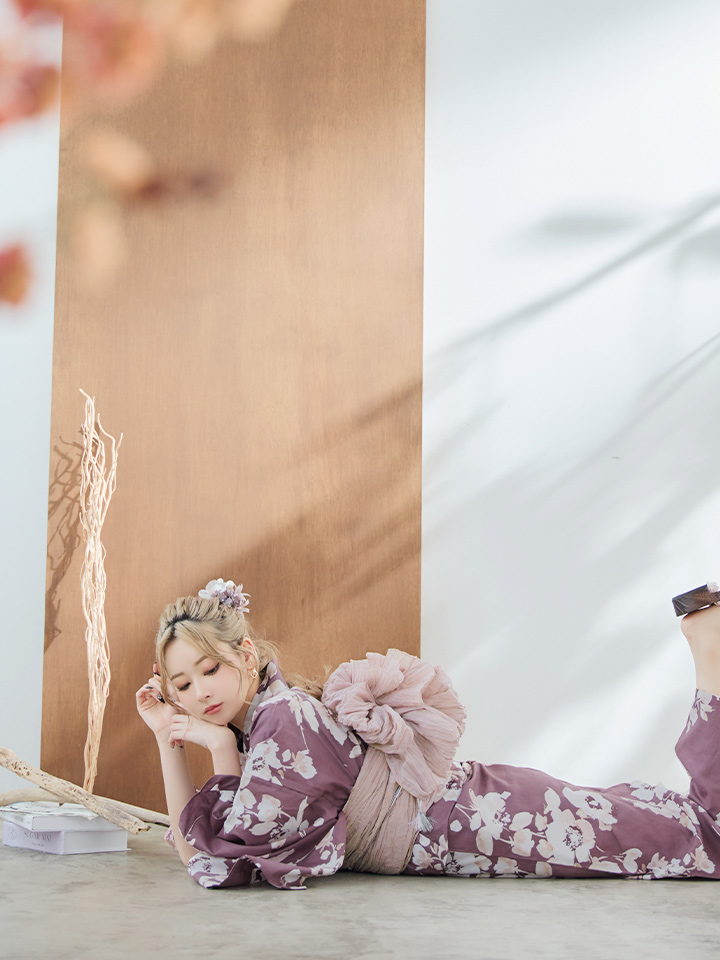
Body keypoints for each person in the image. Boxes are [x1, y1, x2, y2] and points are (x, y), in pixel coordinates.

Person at [136, 577, 720, 889]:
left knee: (697, 838)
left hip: (477, 817)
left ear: (245, 655)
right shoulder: (262, 730)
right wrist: (169, 737)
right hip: (469, 821)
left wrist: (216, 746)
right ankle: (708, 649)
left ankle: (707, 648)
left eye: (210, 670)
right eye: (182, 684)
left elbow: (226, 856)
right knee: (676, 826)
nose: (200, 693)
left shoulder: (283, 718)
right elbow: (204, 853)